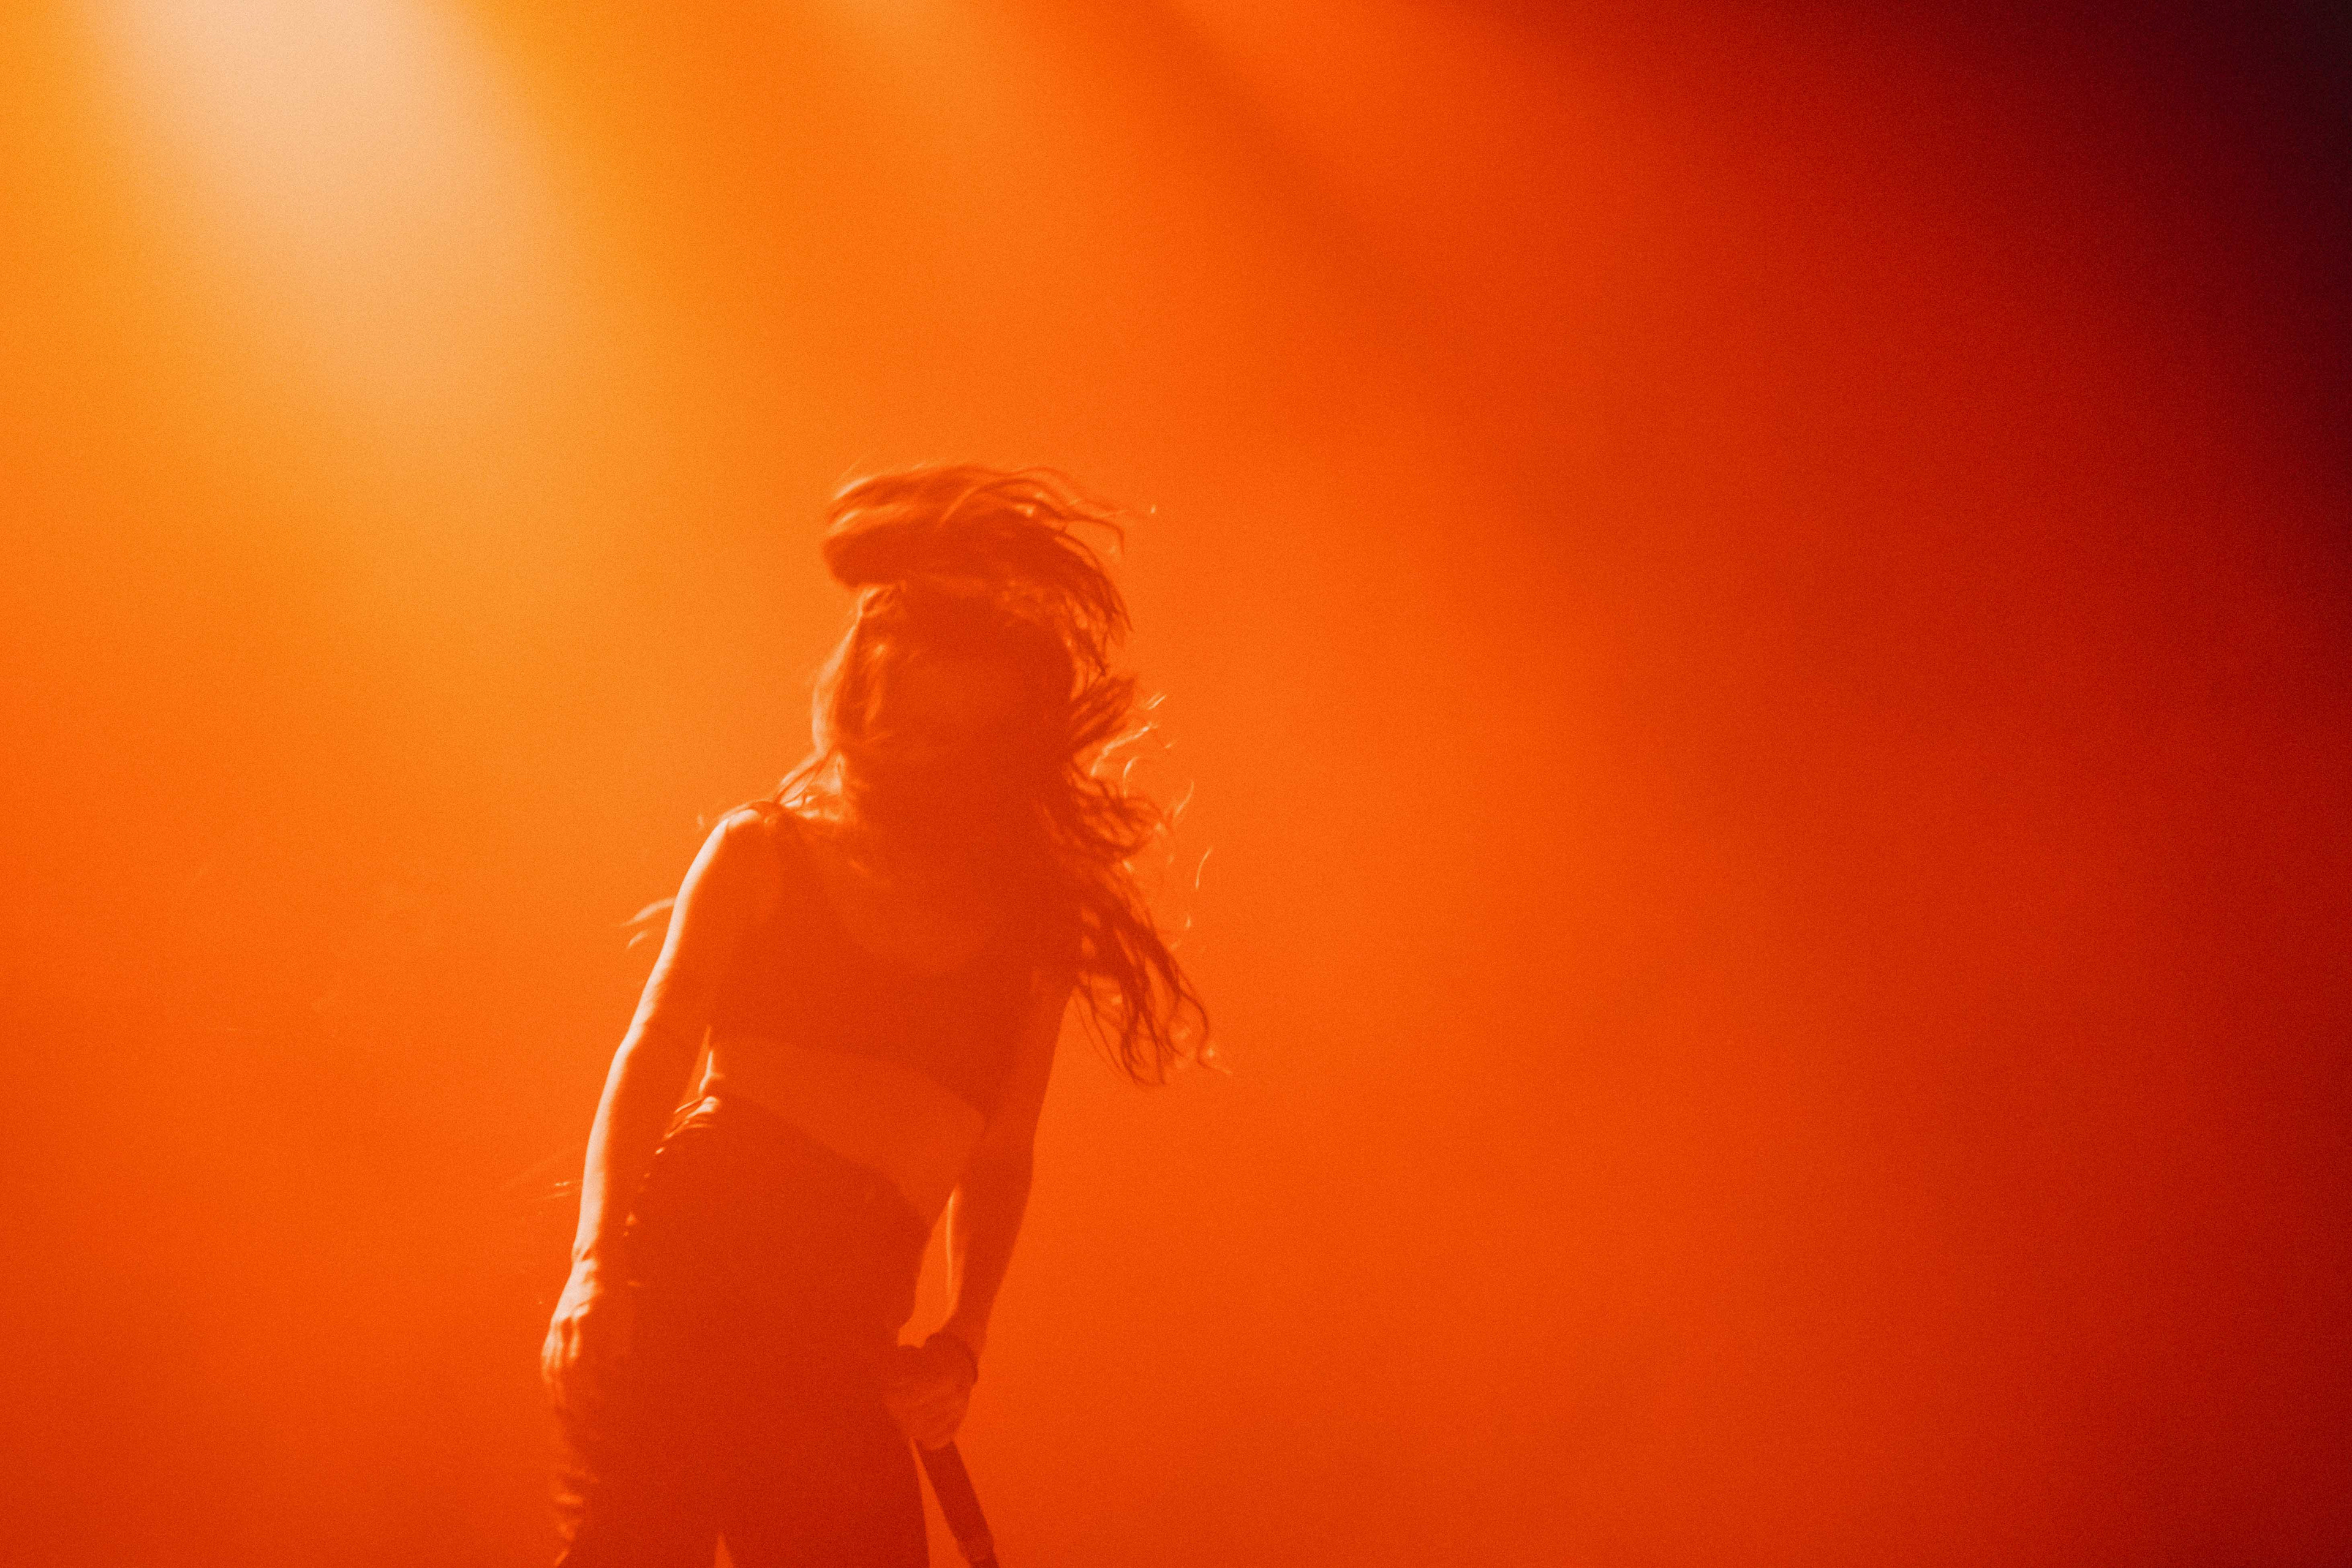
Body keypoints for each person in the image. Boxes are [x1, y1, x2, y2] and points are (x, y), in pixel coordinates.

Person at [540, 466, 1207, 1566]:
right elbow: (653, 1048)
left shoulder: (1028, 937)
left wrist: (962, 1343)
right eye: (911, 725)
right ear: (867, 706)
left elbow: (1003, 1154)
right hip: (695, 1278)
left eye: (960, 736)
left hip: (850, 1333)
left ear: (1006, 742)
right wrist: (595, 1264)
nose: (928, 757)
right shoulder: (763, 852)